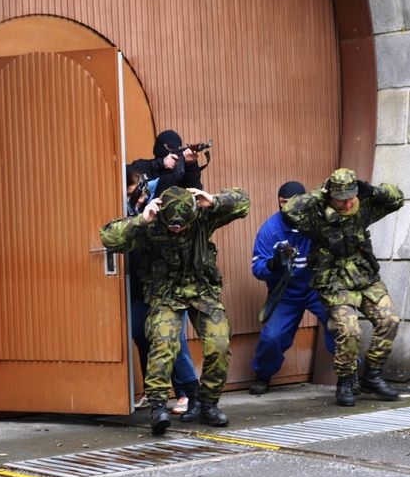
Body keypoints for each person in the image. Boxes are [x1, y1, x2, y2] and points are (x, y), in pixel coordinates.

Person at [100, 185, 250, 435]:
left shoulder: (203, 215)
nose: (178, 229)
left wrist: (214, 201)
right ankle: (158, 406)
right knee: (163, 343)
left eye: (183, 225)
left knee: (219, 342)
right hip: (165, 294)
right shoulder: (151, 224)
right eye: (173, 226)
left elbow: (243, 203)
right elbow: (108, 238)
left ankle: (208, 404)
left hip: (201, 291)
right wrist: (140, 219)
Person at [280, 168, 404, 407]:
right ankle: (346, 380)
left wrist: (374, 190)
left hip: (365, 277)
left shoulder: (363, 206)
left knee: (390, 320)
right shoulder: (316, 215)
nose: (347, 204)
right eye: (341, 199)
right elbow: (289, 211)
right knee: (349, 330)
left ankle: (373, 375)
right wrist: (320, 193)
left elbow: (398, 199)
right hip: (334, 280)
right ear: (330, 196)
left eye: (351, 197)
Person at [249, 181, 336, 395]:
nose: (287, 208)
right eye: (282, 203)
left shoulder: (319, 221)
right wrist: (272, 265)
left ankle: (349, 375)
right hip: (286, 293)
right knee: (273, 337)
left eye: (292, 203)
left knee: (341, 325)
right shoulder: (271, 229)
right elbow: (257, 267)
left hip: (318, 288)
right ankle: (263, 375)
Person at [124, 168, 198, 414]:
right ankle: (154, 393)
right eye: (131, 195)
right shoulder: (134, 214)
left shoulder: (164, 205)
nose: (138, 198)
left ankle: (187, 393)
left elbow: (177, 175)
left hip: (171, 289)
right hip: (141, 287)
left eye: (138, 192)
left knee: (176, 342)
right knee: (142, 336)